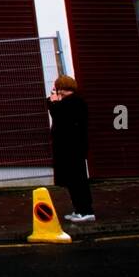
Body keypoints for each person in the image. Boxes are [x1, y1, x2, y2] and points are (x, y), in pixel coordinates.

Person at [47, 75, 93, 221]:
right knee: (75, 180)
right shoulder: (76, 102)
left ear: (61, 88)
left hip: (71, 149)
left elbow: (59, 117)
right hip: (75, 148)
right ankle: (80, 209)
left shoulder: (71, 103)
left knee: (76, 181)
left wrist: (53, 103)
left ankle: (85, 211)